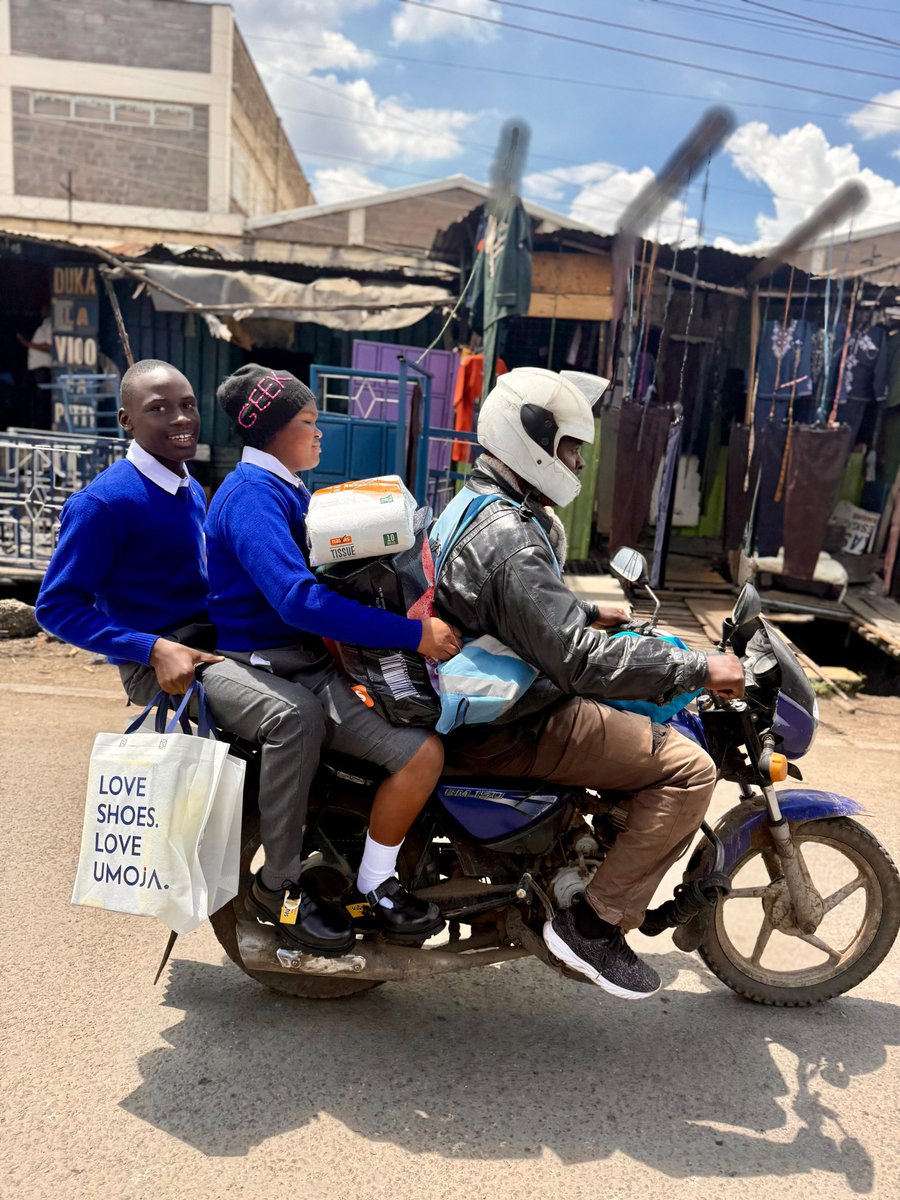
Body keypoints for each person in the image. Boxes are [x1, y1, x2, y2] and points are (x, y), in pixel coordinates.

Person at [432, 367, 745, 1000]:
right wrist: (695, 666)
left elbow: (515, 612)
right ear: (533, 442)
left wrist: (579, 611)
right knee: (689, 769)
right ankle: (593, 923)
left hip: (486, 696)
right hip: (515, 720)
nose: (575, 461)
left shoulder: (476, 505)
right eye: (570, 447)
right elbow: (581, 664)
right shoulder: (512, 538)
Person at [36, 359, 360, 957]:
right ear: (126, 419)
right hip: (163, 661)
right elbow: (56, 607)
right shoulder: (104, 503)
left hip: (212, 644)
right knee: (293, 718)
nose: (180, 418)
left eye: (186, 404)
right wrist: (151, 647)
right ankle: (279, 887)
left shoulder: (192, 487)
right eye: (159, 409)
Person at [206, 364, 461, 944]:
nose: (320, 433)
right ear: (271, 430)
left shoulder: (290, 489)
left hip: (312, 664)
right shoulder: (250, 498)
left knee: (420, 752)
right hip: (261, 663)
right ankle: (279, 887)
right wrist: (412, 636)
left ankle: (376, 881)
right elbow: (298, 600)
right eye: (307, 422)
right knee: (297, 720)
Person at [16, 304, 53, 428]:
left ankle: (41, 427)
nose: (41, 311)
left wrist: (27, 343)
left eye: (43, 308)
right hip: (36, 370)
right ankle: (36, 425)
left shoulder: (49, 325)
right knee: (36, 400)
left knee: (42, 400)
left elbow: (49, 346)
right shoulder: (43, 326)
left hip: (42, 369)